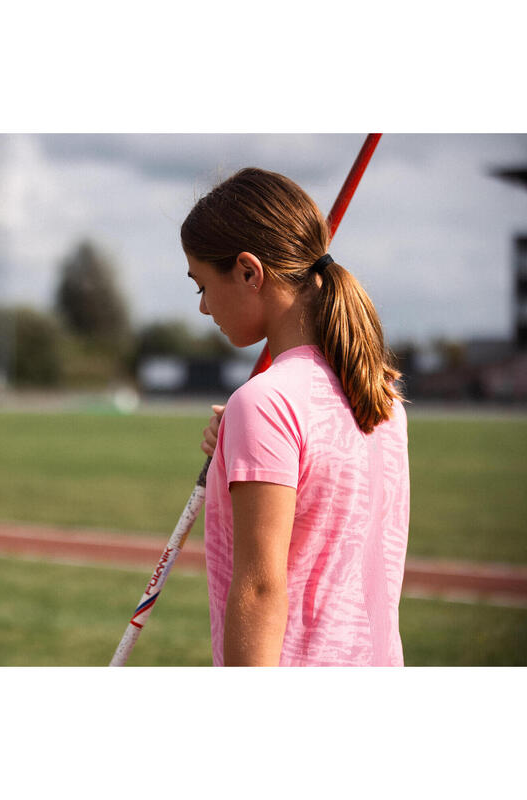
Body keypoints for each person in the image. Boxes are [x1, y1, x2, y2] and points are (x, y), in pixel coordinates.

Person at [182, 167, 410, 667]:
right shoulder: (379, 392)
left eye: (201, 285)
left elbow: (262, 591)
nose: (202, 307)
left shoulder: (265, 403)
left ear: (248, 271)